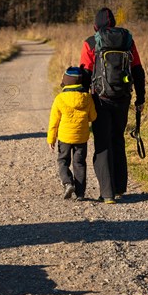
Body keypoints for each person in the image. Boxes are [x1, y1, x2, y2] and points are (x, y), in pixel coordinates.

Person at [80, 7, 146, 204]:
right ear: (114, 23)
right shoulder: (127, 40)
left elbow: (85, 73)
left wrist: (83, 101)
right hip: (123, 97)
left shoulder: (91, 42)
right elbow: (138, 70)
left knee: (102, 142)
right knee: (118, 138)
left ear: (95, 25)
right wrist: (140, 98)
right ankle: (119, 187)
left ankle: (107, 193)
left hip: (100, 98)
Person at [47, 66, 97, 200]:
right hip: (81, 137)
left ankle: (68, 183)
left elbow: (54, 121)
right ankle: (80, 193)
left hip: (64, 137)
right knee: (79, 163)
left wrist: (51, 139)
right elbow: (93, 117)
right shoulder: (87, 98)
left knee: (63, 161)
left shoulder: (60, 98)